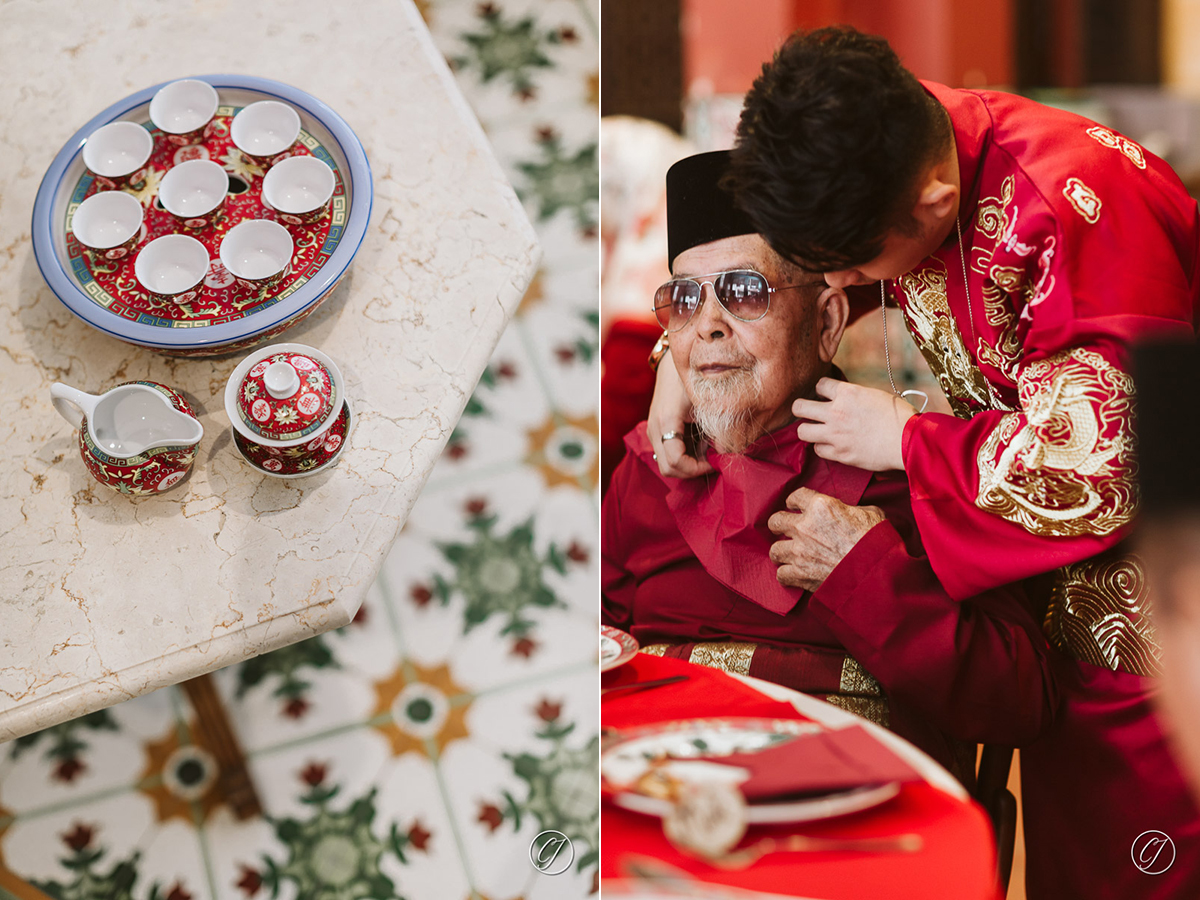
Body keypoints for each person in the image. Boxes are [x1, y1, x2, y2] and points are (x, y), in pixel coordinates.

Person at [647, 28, 1200, 899]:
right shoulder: (887, 134)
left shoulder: (1073, 206)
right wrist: (681, 359)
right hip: (1048, 598)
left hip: (1150, 608)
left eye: (854, 269)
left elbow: (1104, 464)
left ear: (935, 207)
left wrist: (906, 439)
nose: (847, 284)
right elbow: (798, 261)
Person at [603, 149, 1060, 785]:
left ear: (827, 321)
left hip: (846, 811)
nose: (706, 326)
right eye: (684, 299)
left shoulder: (909, 467)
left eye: (744, 292)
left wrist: (865, 571)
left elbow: (1017, 703)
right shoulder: (648, 471)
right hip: (661, 788)